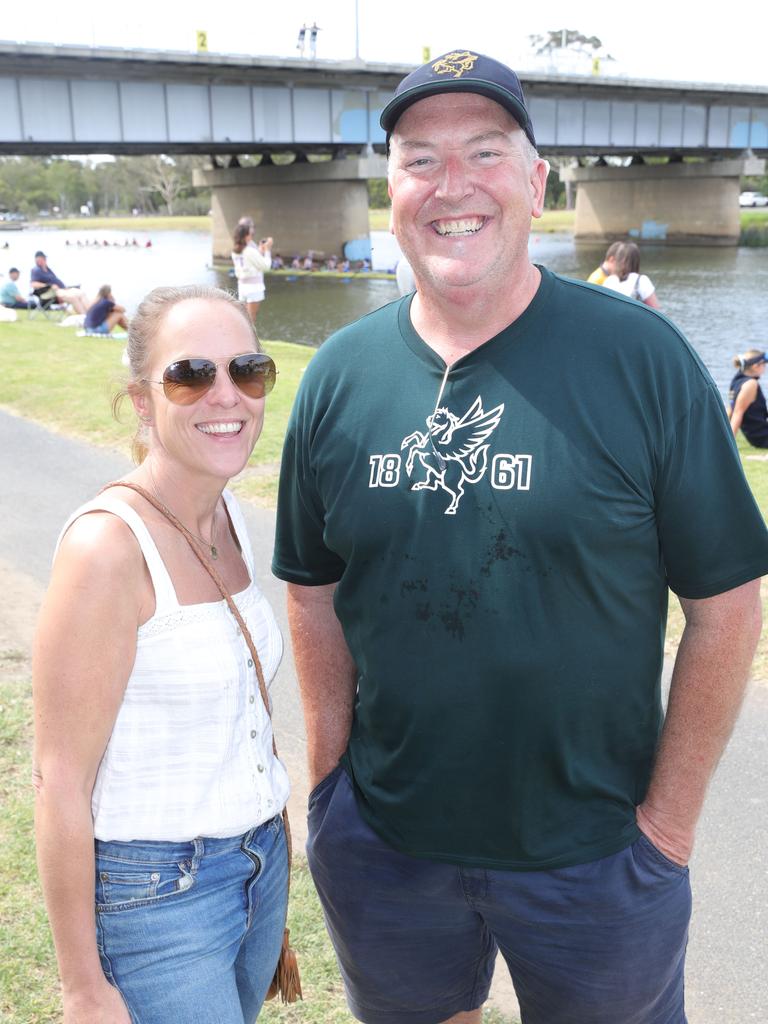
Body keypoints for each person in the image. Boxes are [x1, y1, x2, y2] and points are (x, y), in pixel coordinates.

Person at [272, 49, 768, 1024]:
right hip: (386, 847)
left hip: (597, 859)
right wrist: (327, 785)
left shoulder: (642, 360)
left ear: (538, 183)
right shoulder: (338, 374)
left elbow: (727, 606)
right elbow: (310, 588)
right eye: (420, 159)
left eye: (485, 152)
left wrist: (665, 826)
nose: (451, 185)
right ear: (390, 191)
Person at [33, 285, 290, 1023]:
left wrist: (260, 876)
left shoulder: (229, 513)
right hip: (157, 896)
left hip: (257, 870)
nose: (227, 396)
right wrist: (83, 987)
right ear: (142, 400)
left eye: (247, 370)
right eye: (190, 375)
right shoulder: (107, 549)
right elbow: (58, 781)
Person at [231, 218, 272, 323]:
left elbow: (252, 262)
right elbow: (266, 266)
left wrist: (260, 251)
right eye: (250, 233)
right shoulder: (249, 250)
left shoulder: (235, 251)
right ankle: (248, 339)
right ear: (245, 236)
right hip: (254, 287)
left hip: (242, 286)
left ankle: (241, 338)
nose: (251, 235)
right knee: (251, 319)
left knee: (243, 317)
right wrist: (267, 250)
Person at [728, 348, 768, 447]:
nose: (765, 367)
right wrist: (729, 444)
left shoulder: (736, 381)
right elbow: (737, 413)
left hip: (759, 434)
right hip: (763, 437)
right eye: (764, 364)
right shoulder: (751, 384)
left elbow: (731, 410)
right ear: (756, 366)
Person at [602, 241, 660, 307]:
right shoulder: (641, 280)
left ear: (618, 259)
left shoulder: (608, 281)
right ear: (636, 260)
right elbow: (655, 309)